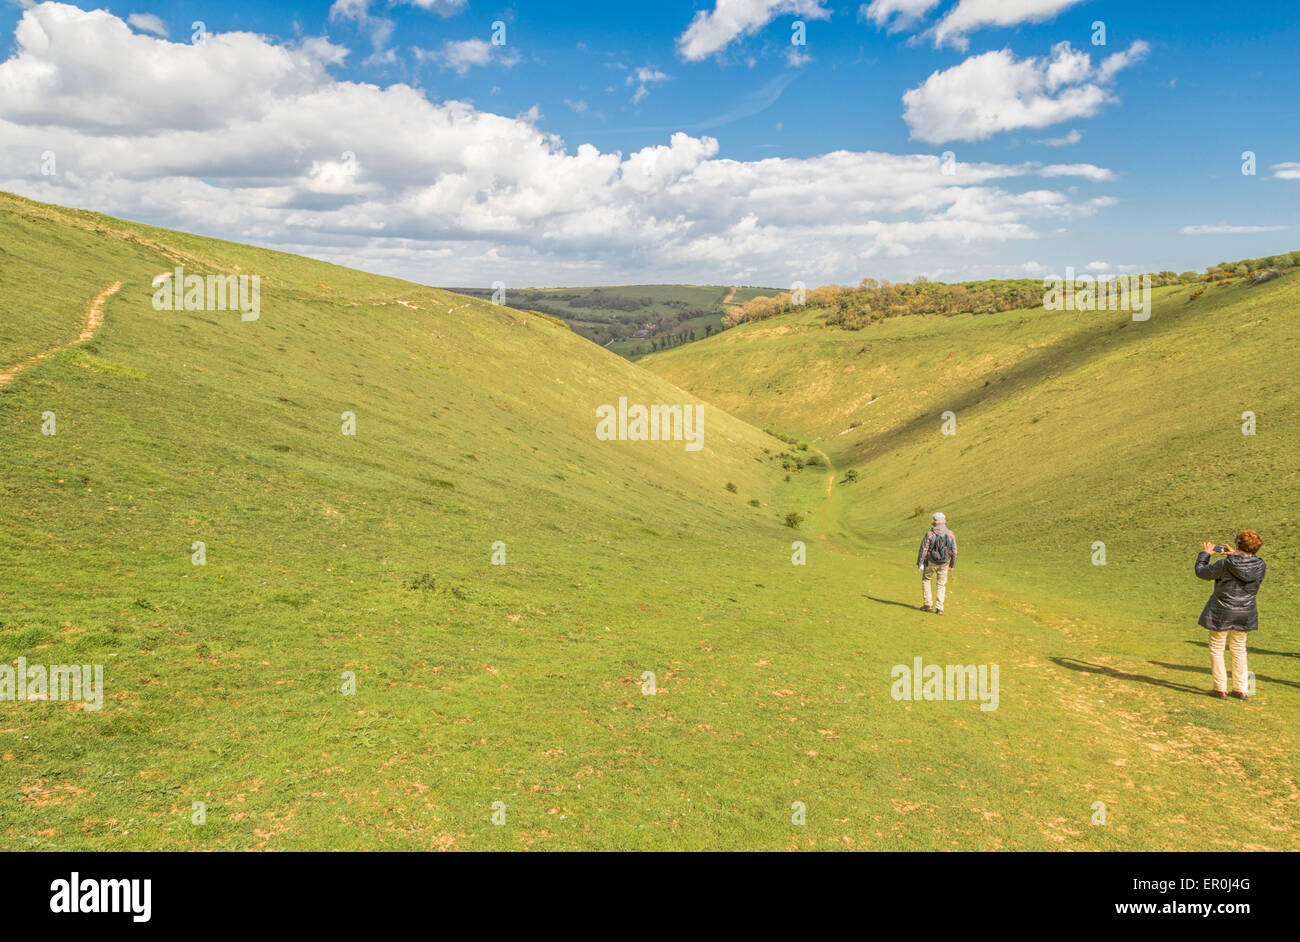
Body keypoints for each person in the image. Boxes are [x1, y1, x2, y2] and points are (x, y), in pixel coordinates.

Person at [1196, 530, 1265, 700]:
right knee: (1239, 649)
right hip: (1246, 611)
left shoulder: (1226, 564)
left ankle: (1220, 688)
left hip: (1222, 610)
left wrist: (1205, 554)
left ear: (1237, 544)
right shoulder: (1260, 565)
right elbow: (1244, 567)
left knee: (1217, 648)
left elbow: (1202, 572)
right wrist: (1235, 555)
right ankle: (1241, 689)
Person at [917, 512, 957, 614]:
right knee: (941, 584)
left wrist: (920, 562)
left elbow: (924, 549)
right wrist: (952, 565)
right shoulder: (950, 533)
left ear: (934, 521)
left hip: (930, 562)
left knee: (926, 580)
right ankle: (940, 608)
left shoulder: (930, 534)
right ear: (944, 521)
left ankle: (928, 604)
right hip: (944, 563)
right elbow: (954, 551)